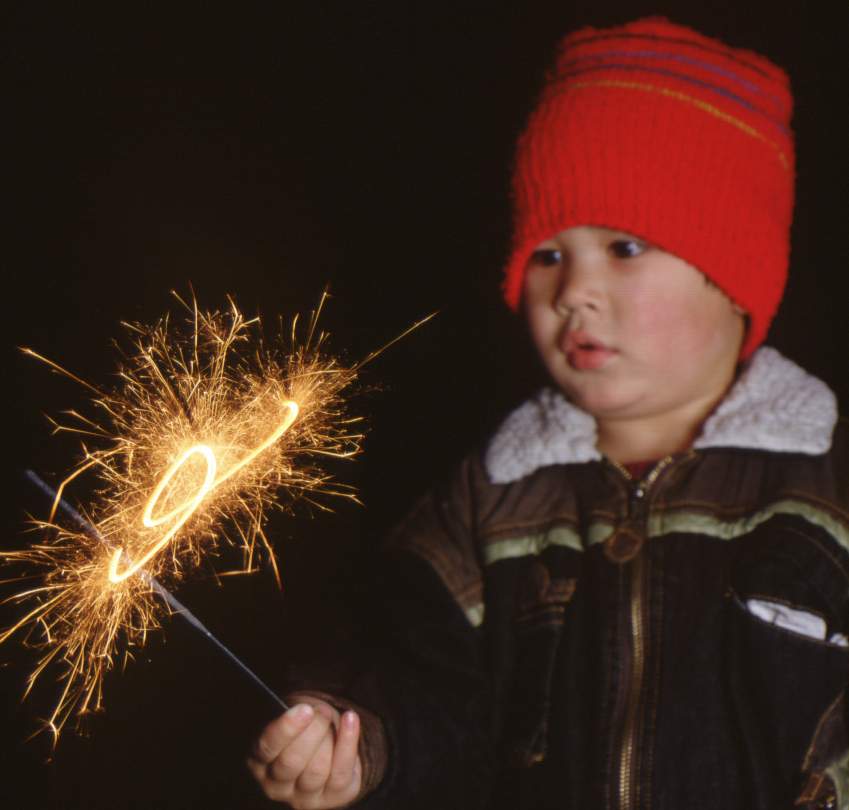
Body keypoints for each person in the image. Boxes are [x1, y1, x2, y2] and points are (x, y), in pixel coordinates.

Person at [247, 16, 849, 810]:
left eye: (625, 247)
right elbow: (412, 676)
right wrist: (353, 737)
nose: (572, 292)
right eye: (546, 253)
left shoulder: (827, 485)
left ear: (734, 274)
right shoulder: (488, 496)